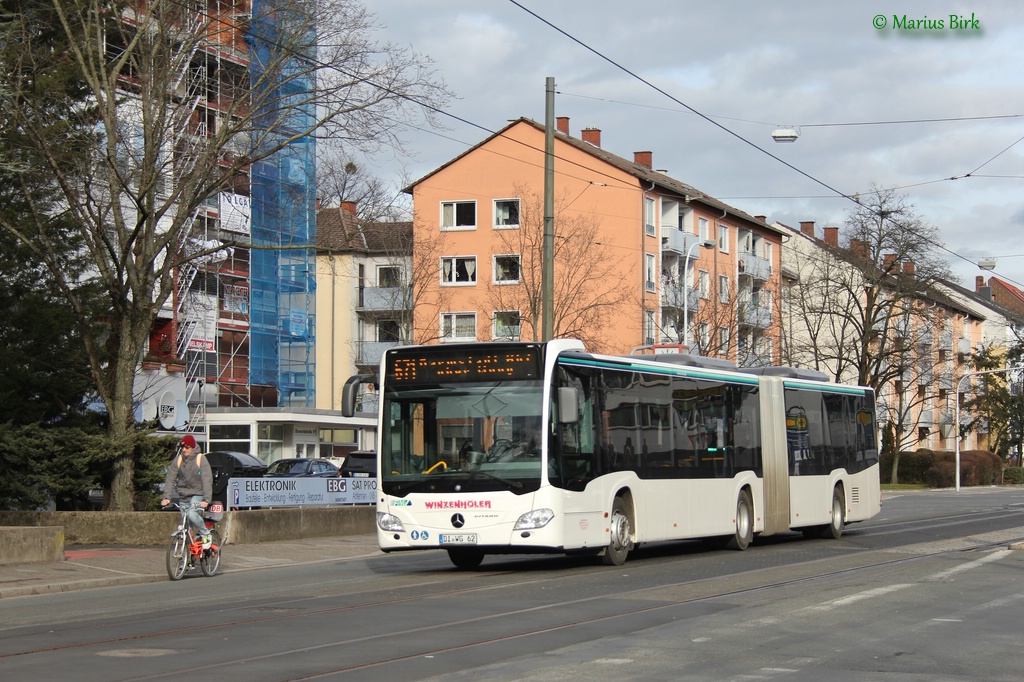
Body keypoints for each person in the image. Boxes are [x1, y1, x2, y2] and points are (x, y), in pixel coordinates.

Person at [161, 435, 214, 549]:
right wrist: (167, 497)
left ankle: (206, 534)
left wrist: (206, 500)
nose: (184, 450)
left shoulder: (200, 459)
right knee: (187, 527)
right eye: (182, 447)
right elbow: (171, 478)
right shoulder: (179, 459)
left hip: (197, 494)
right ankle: (189, 557)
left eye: (187, 447)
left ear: (193, 447)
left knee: (192, 514)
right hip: (183, 495)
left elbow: (207, 480)